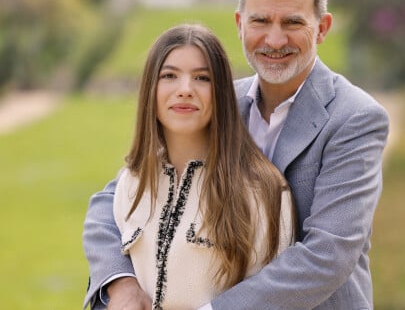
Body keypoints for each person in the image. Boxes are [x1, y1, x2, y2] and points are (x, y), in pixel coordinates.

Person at [83, 0, 390, 309]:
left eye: (292, 22)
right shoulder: (220, 98)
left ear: (321, 28)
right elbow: (114, 198)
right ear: (240, 23)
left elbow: (327, 256)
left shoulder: (355, 118)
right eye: (260, 20)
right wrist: (119, 282)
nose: (275, 40)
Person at [90, 23, 295, 309]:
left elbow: (276, 299)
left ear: (221, 93)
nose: (185, 90)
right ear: (151, 89)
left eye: (202, 78)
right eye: (169, 75)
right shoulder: (132, 181)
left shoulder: (263, 190)